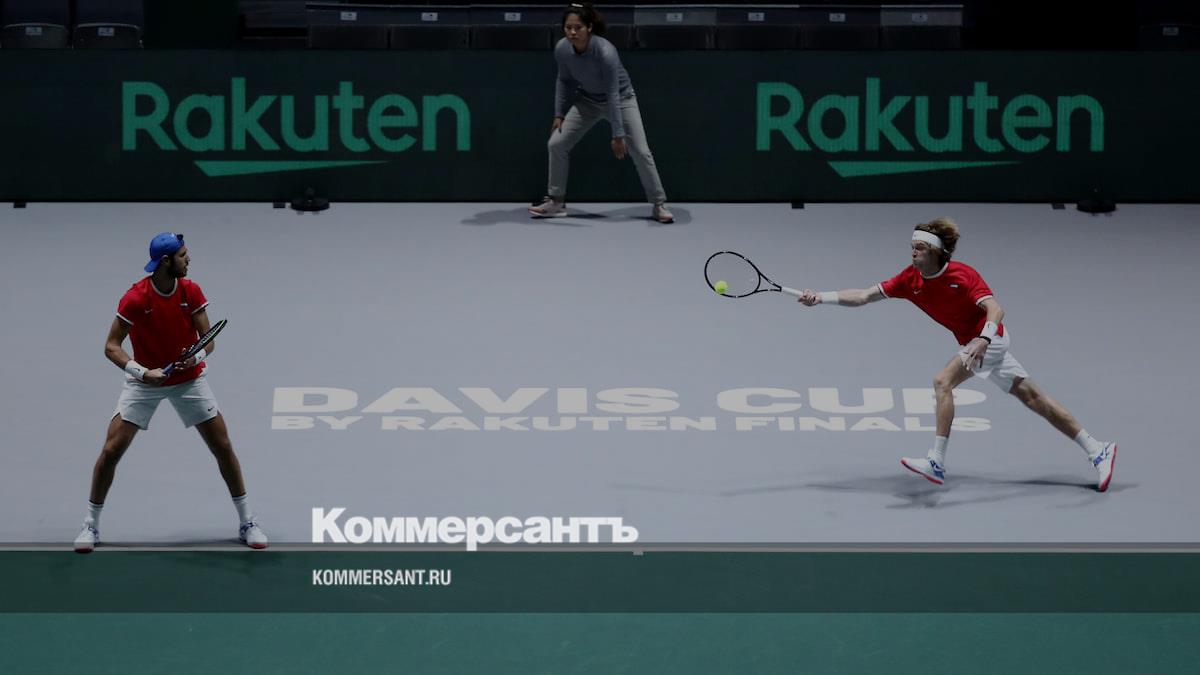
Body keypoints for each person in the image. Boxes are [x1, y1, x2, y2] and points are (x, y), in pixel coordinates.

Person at [797, 218, 1117, 491]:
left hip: (990, 340)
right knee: (1034, 399)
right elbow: (864, 295)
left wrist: (983, 339)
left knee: (942, 382)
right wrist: (820, 297)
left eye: (920, 248)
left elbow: (995, 309)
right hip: (975, 343)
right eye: (912, 247)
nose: (913, 252)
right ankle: (1097, 449)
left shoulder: (963, 276)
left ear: (936, 251)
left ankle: (936, 461)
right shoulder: (909, 279)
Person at [73, 232, 268, 552]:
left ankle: (247, 521)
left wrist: (196, 356)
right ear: (166, 261)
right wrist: (141, 372)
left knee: (222, 446)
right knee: (111, 450)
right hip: (144, 383)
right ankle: (90, 525)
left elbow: (208, 340)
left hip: (188, 379)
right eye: (183, 255)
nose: (188, 259)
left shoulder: (191, 291)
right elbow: (111, 346)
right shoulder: (136, 298)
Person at [529, 2, 674, 224]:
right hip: (587, 101)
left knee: (641, 152)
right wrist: (559, 114)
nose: (573, 32)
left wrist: (618, 134)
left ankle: (658, 204)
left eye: (578, 27)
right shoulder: (562, 49)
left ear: (589, 27)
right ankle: (556, 202)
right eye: (568, 28)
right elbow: (564, 80)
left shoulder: (605, 51)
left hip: (621, 100)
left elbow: (612, 93)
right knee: (556, 144)